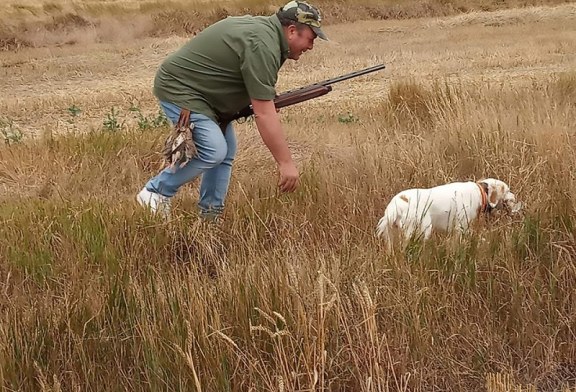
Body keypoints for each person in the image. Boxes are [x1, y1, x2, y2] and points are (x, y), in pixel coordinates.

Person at [136, 0, 327, 219]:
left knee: (224, 152)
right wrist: (286, 163)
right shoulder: (262, 44)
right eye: (311, 39)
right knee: (213, 150)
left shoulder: (267, 36)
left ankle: (210, 218)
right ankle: (155, 192)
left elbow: (251, 84)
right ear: (292, 30)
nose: (311, 47)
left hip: (205, 96)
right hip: (182, 91)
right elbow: (263, 113)